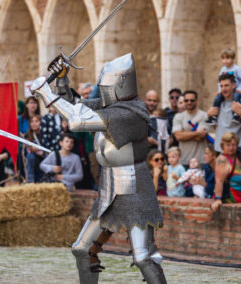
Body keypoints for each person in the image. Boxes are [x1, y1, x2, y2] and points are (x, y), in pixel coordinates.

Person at [32, 53, 166, 283]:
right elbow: (76, 105)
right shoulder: (110, 106)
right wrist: (62, 81)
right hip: (108, 189)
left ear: (121, 84)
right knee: (82, 249)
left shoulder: (131, 114)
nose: (103, 92)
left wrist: (45, 93)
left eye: (107, 86)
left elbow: (76, 120)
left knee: (144, 257)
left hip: (135, 189)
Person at [172, 90, 208, 167]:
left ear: (197, 100)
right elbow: (178, 136)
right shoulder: (178, 117)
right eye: (186, 100)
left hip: (200, 161)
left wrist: (184, 132)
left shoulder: (204, 116)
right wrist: (197, 132)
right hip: (183, 160)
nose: (189, 102)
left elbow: (200, 137)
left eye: (192, 100)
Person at [206, 48, 241, 125]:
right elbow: (220, 82)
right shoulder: (222, 70)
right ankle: (214, 116)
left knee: (236, 96)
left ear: (233, 59)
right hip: (225, 90)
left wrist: (239, 88)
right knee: (217, 98)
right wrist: (219, 90)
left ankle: (236, 115)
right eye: (223, 58)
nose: (225, 60)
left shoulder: (237, 69)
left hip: (236, 90)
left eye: (227, 58)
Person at [207, 73, 241, 152]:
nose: (223, 89)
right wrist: (208, 115)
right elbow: (213, 126)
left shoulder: (239, 103)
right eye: (221, 86)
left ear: (234, 85)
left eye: (226, 85)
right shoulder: (217, 103)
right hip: (219, 150)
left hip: (237, 150)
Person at [211, 132, 241, 212]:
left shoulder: (238, 156)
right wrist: (218, 199)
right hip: (231, 199)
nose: (231, 148)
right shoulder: (222, 160)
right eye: (228, 145)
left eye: (233, 145)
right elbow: (219, 181)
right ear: (222, 146)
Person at [25, 115, 45, 183]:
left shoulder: (45, 133)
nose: (34, 123)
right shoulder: (28, 134)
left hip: (45, 156)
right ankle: (30, 181)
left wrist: (42, 152)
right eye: (32, 122)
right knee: (30, 156)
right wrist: (37, 151)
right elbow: (28, 149)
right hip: (34, 157)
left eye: (36, 121)